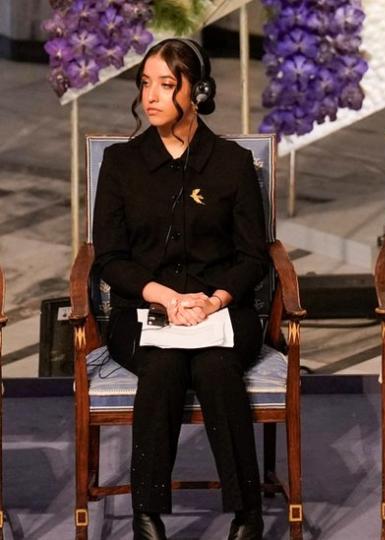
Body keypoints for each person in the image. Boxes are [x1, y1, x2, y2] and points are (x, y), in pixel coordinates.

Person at [92, 38, 269, 540]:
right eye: (145, 84)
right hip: (143, 309)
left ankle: (246, 513)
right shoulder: (122, 164)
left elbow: (254, 257)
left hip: (222, 308)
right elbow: (109, 257)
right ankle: (145, 514)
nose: (151, 96)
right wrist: (164, 296)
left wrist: (214, 300)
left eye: (166, 85)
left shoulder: (232, 163)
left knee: (215, 368)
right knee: (164, 365)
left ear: (199, 91)